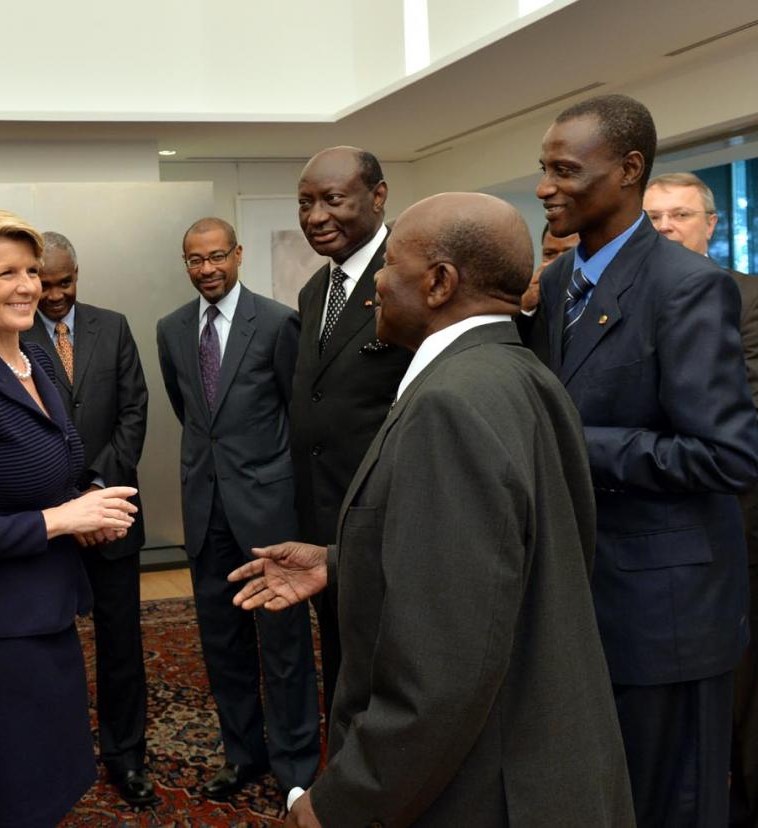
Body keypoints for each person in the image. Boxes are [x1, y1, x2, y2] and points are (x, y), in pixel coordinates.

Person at [230, 192, 635, 828]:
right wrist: (343, 561)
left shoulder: (451, 402)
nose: (376, 287)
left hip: (483, 784)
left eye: (389, 266)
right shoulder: (521, 373)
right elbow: (500, 554)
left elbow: (442, 671)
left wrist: (340, 803)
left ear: (441, 283)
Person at [535, 94, 758, 826]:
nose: (545, 187)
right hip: (586, 598)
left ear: (629, 170)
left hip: (669, 617)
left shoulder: (688, 287)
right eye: (544, 169)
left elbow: (728, 455)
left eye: (565, 170)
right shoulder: (559, 284)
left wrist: (575, 442)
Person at [0, 207, 139, 828]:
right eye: (6, 273)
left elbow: (54, 475)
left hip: (50, 616)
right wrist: (62, 519)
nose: (28, 287)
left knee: (57, 789)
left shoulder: (36, 362)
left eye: (33, 271)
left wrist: (87, 508)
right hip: (0, 637)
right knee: (20, 804)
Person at [155, 217, 320, 801]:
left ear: (238, 255)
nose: (207, 269)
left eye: (217, 257)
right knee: (223, 646)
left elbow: (296, 416)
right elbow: (191, 412)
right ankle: (243, 755)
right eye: (195, 260)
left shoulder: (277, 324)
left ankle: (298, 767)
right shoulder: (171, 330)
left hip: (267, 514)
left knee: (284, 648)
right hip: (206, 512)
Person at [19, 231, 155, 806]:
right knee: (47, 645)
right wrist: (70, 506)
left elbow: (133, 411)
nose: (53, 295)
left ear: (79, 273)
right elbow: (18, 432)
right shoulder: (12, 334)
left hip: (114, 514)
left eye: (64, 282)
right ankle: (55, 753)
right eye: (44, 283)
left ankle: (126, 755)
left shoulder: (114, 326)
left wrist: (99, 490)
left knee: (120, 643)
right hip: (47, 520)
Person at [643, 171, 758, 824]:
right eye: (653, 217)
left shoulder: (745, 298)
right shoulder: (630, 298)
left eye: (679, 215)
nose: (665, 227)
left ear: (711, 225)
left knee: (738, 696)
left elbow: (741, 417)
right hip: (650, 523)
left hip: (735, 521)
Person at [289, 146, 412, 723]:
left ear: (378, 196)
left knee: (390, 672)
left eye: (332, 200)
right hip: (324, 520)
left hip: (388, 522)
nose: (316, 217)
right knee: (340, 663)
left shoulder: (411, 276)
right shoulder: (315, 289)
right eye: (305, 204)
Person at [520, 224, 581, 361]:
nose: (559, 261)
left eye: (568, 252)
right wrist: (526, 307)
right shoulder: (532, 297)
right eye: (549, 254)